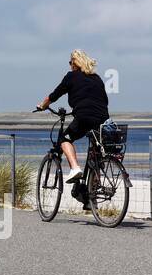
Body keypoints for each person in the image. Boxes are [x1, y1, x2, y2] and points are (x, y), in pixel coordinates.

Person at [36, 49, 109, 186]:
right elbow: (104, 100)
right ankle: (91, 196)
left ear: (75, 63)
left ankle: (75, 168)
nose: (70, 65)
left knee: (65, 139)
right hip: (103, 118)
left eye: (70, 62)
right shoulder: (97, 78)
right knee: (95, 153)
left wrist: (42, 106)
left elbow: (53, 95)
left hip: (84, 116)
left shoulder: (71, 76)